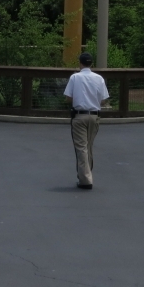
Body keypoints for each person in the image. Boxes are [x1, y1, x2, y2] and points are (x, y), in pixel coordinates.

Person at [63, 52, 109, 190]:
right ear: (91, 64)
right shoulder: (99, 78)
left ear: (80, 63)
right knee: (89, 146)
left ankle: (85, 179)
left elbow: (68, 98)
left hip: (79, 115)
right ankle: (87, 173)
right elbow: (104, 99)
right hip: (94, 115)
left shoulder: (75, 77)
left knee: (81, 147)